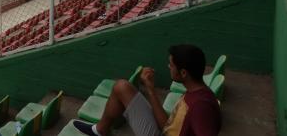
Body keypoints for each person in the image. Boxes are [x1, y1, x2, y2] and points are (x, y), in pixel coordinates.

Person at [73, 44, 221, 136]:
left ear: (183, 73)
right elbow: (169, 126)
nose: (168, 66)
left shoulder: (201, 107)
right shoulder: (194, 91)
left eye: (171, 65)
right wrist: (150, 88)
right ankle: (100, 130)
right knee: (122, 86)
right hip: (165, 130)